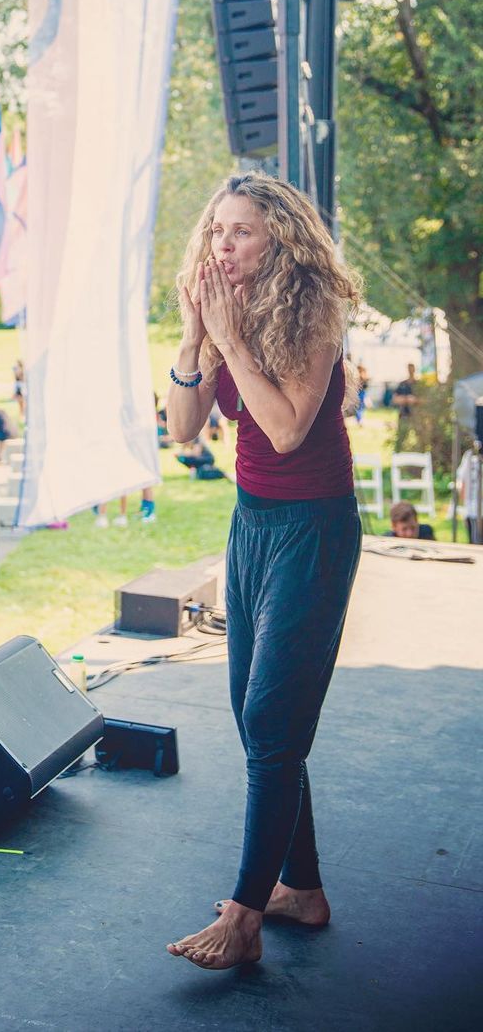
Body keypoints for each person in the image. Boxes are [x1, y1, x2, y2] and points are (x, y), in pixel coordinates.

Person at [165, 170, 363, 971]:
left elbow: (284, 430)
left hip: (313, 530)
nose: (223, 244)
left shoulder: (314, 310)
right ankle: (301, 889)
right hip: (250, 526)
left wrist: (234, 339)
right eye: (217, 230)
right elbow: (183, 430)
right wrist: (194, 338)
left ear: (278, 235)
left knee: (273, 724)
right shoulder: (224, 310)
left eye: (240, 230)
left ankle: (245, 916)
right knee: (258, 722)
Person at [455, 444, 482, 545]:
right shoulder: (469, 456)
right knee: (475, 540)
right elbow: (462, 482)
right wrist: (465, 504)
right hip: (472, 507)